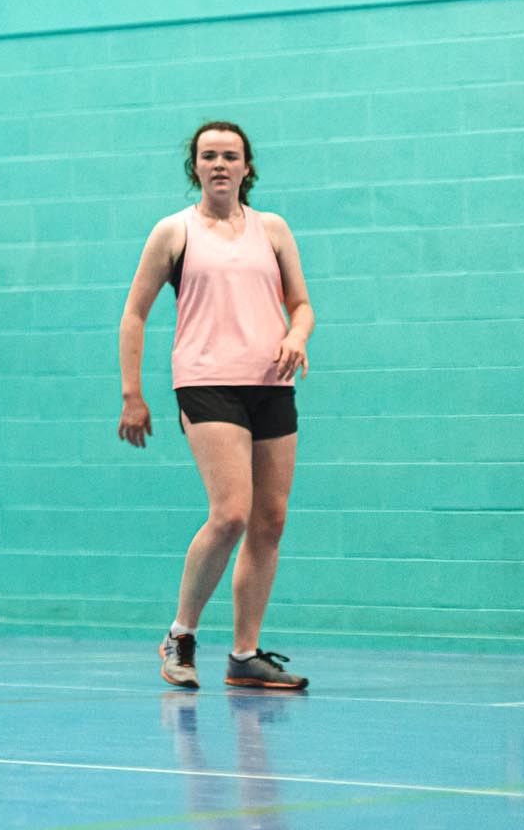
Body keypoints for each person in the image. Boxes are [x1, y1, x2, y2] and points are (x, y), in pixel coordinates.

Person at [118, 120, 315, 692]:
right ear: (196, 167)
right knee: (230, 513)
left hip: (271, 382)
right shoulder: (173, 232)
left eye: (231, 155)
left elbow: (301, 305)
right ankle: (180, 634)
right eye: (209, 156)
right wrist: (133, 394)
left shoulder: (272, 229)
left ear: (247, 166)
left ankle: (245, 655)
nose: (221, 164)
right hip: (206, 383)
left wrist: (296, 336)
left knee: (270, 521)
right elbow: (134, 313)